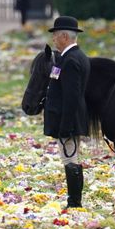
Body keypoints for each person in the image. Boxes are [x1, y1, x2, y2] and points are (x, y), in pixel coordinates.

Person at [44, 16, 91, 208]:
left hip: (68, 121)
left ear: (64, 36)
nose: (53, 40)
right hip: (68, 119)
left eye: (55, 36)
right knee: (72, 159)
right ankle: (75, 200)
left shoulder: (71, 60)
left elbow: (71, 97)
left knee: (70, 160)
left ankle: (74, 202)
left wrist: (65, 125)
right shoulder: (70, 57)